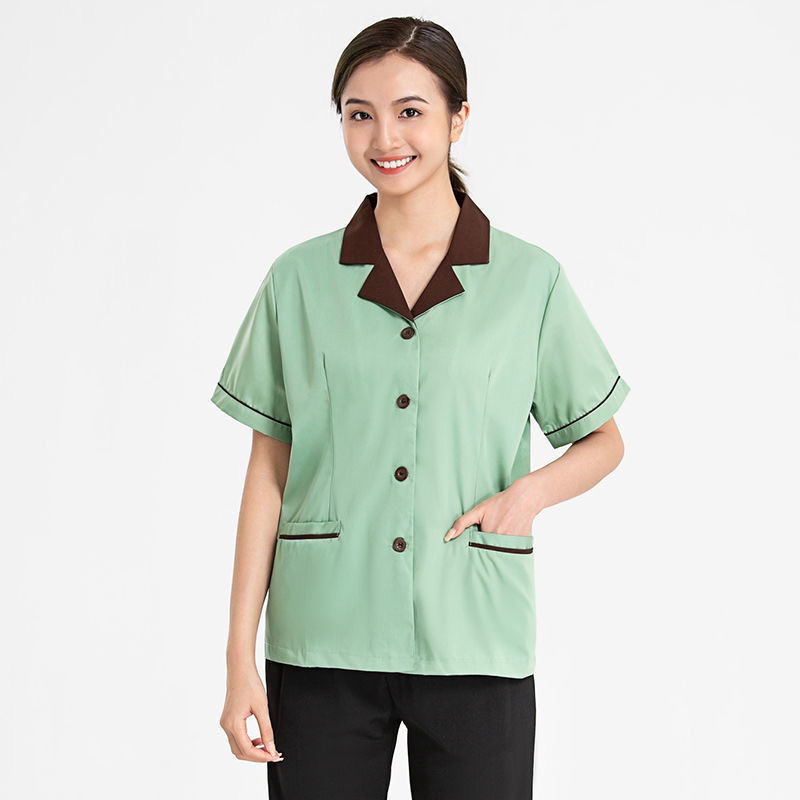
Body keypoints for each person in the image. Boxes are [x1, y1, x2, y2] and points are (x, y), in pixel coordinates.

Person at [212, 15, 630, 800]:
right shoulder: (298, 281)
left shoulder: (529, 281)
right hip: (323, 638)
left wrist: (527, 497)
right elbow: (269, 470)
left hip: (475, 633)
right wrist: (239, 660)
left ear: (457, 118)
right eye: (359, 113)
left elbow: (603, 440)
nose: (384, 138)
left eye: (410, 111)